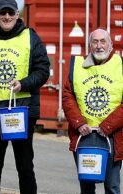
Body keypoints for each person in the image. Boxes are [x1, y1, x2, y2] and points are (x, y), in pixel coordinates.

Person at [0, 0, 50, 193]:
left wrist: (24, 83)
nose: (6, 17)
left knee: (25, 168)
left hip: (22, 111)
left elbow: (43, 70)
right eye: (2, 13)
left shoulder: (30, 37)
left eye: (10, 13)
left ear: (17, 15)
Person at [62, 28, 123, 194]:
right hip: (84, 135)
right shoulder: (78, 66)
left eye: (103, 41)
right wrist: (79, 123)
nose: (99, 46)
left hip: (112, 136)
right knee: (86, 186)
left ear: (111, 45)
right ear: (89, 45)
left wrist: (108, 126)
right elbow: (68, 96)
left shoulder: (120, 65)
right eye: (95, 42)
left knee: (112, 186)